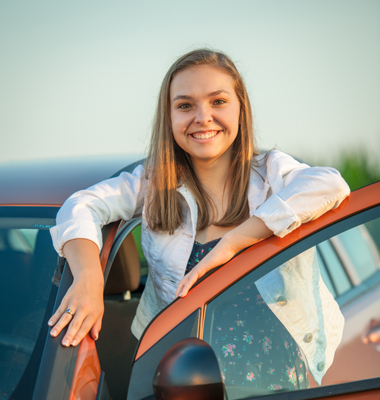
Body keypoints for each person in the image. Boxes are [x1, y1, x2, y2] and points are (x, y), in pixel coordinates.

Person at [49, 49, 350, 389]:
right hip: (178, 379)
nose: (203, 117)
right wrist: (89, 278)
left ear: (241, 109)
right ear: (170, 116)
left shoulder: (270, 174)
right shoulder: (153, 182)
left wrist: (235, 242)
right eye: (185, 105)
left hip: (269, 379)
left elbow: (330, 185)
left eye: (218, 101)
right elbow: (79, 206)